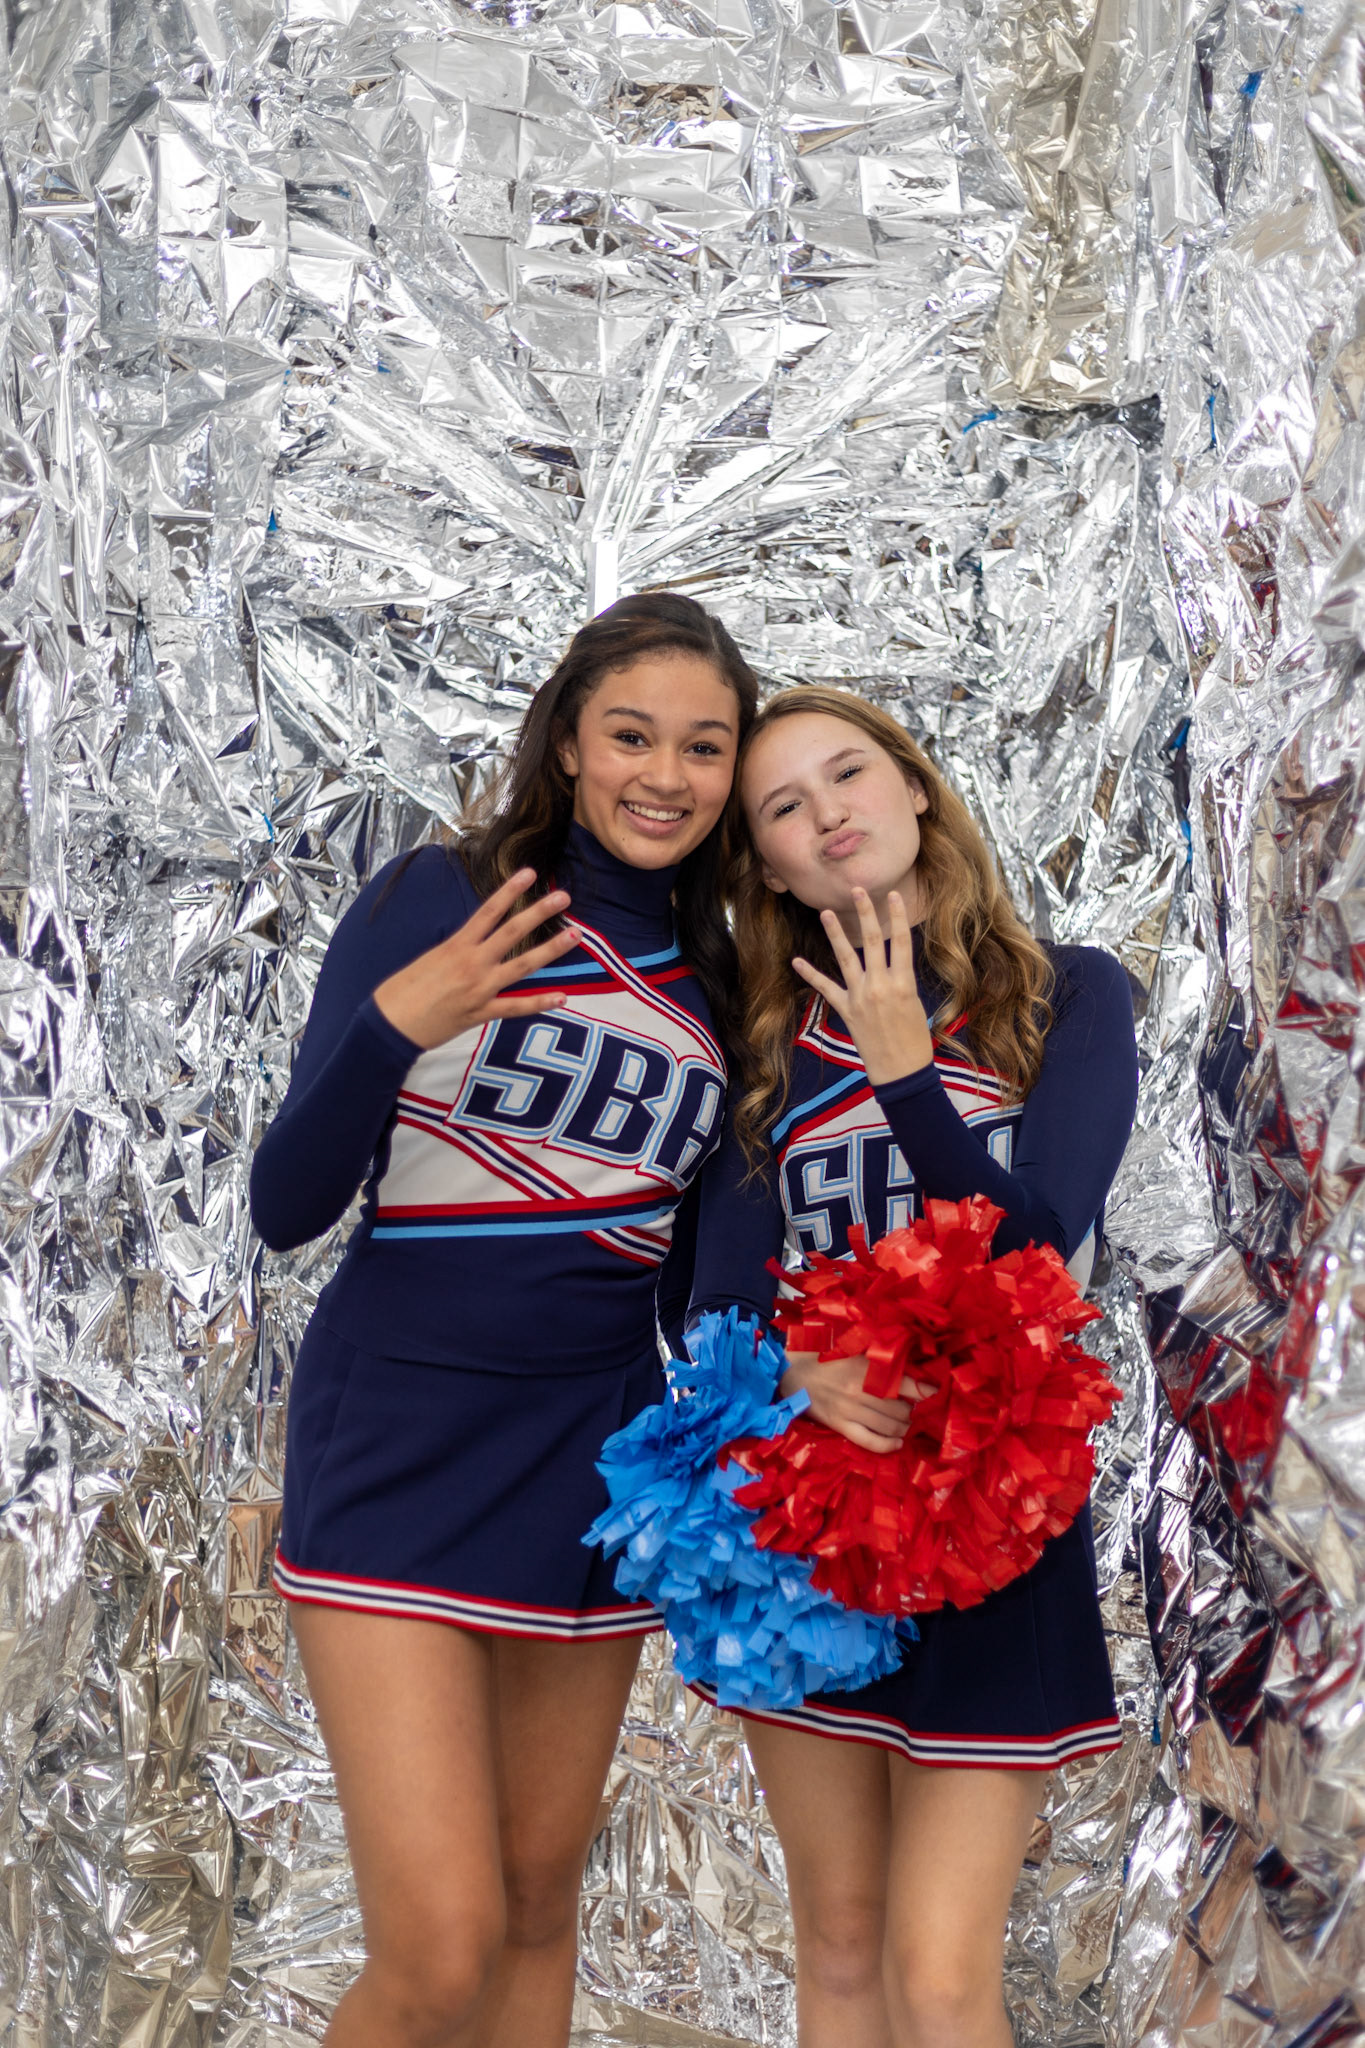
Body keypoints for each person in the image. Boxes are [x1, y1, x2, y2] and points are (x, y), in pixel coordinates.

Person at [250, 593, 759, 2048]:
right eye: (632, 736)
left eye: (704, 746)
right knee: (440, 1950)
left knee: (538, 1911)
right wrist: (393, 1026)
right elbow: (285, 1206)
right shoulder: (443, 897)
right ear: (570, 741)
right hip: (396, 1438)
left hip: (585, 1462)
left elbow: (701, 1290)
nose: (665, 775)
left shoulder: (726, 985)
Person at [687, 687, 1139, 2048]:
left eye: (848, 774)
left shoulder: (1064, 993)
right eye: (784, 806)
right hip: (811, 1527)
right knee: (838, 1950)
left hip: (991, 1520)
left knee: (938, 1978)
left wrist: (906, 1079)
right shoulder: (763, 1053)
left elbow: (1042, 1255)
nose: (828, 814)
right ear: (768, 866)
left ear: (915, 787)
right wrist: (795, 1376)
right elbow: (715, 1303)